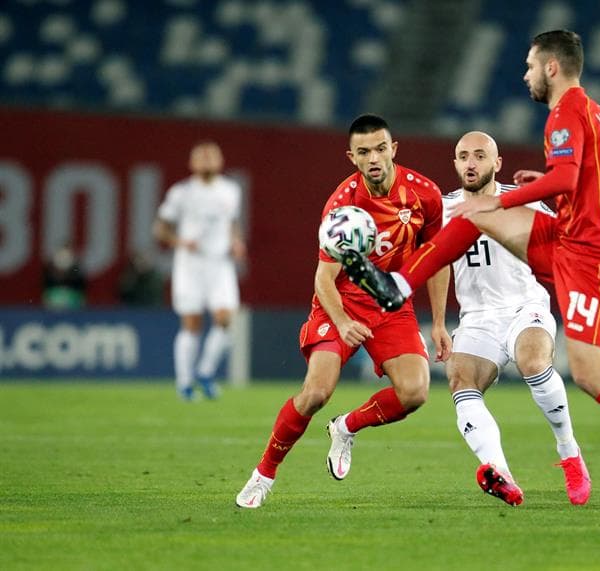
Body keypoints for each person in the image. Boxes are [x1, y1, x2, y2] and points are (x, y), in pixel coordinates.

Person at [342, 31, 600, 522]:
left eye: (531, 66)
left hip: (591, 255)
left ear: (552, 67)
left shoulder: (565, 112)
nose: (526, 74)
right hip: (572, 237)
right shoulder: (596, 115)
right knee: (473, 213)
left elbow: (569, 177)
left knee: (590, 373)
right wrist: (555, 195)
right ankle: (398, 287)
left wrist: (527, 195)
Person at [235, 114, 450, 509]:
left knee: (415, 392)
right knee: (316, 393)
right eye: (364, 152)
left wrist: (438, 322)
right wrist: (343, 321)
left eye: (380, 149)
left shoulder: (426, 194)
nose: (374, 158)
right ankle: (263, 475)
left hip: (391, 305)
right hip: (341, 301)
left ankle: (346, 427)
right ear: (351, 157)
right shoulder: (342, 205)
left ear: (393, 149)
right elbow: (323, 277)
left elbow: (437, 258)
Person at [438, 131, 590, 507]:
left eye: (480, 155)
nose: (471, 163)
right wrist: (439, 323)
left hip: (525, 306)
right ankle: (501, 473)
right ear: (455, 163)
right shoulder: (442, 209)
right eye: (463, 156)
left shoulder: (524, 200)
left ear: (497, 163)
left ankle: (569, 451)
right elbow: (435, 264)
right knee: (460, 379)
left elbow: (566, 243)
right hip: (477, 319)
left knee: (533, 361)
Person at [153, 141, 246, 401]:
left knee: (225, 318)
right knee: (192, 323)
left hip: (220, 263)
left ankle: (204, 373)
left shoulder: (231, 190)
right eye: (201, 157)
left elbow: (232, 223)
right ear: (192, 163)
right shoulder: (181, 193)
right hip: (190, 265)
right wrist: (180, 241)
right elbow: (160, 228)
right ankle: (184, 382)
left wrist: (236, 242)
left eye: (211, 156)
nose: (207, 161)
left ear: (220, 161)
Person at [42, 244, 86, 310]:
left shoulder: (77, 278)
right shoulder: (50, 283)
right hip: (54, 299)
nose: (62, 272)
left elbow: (82, 297)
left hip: (73, 301)